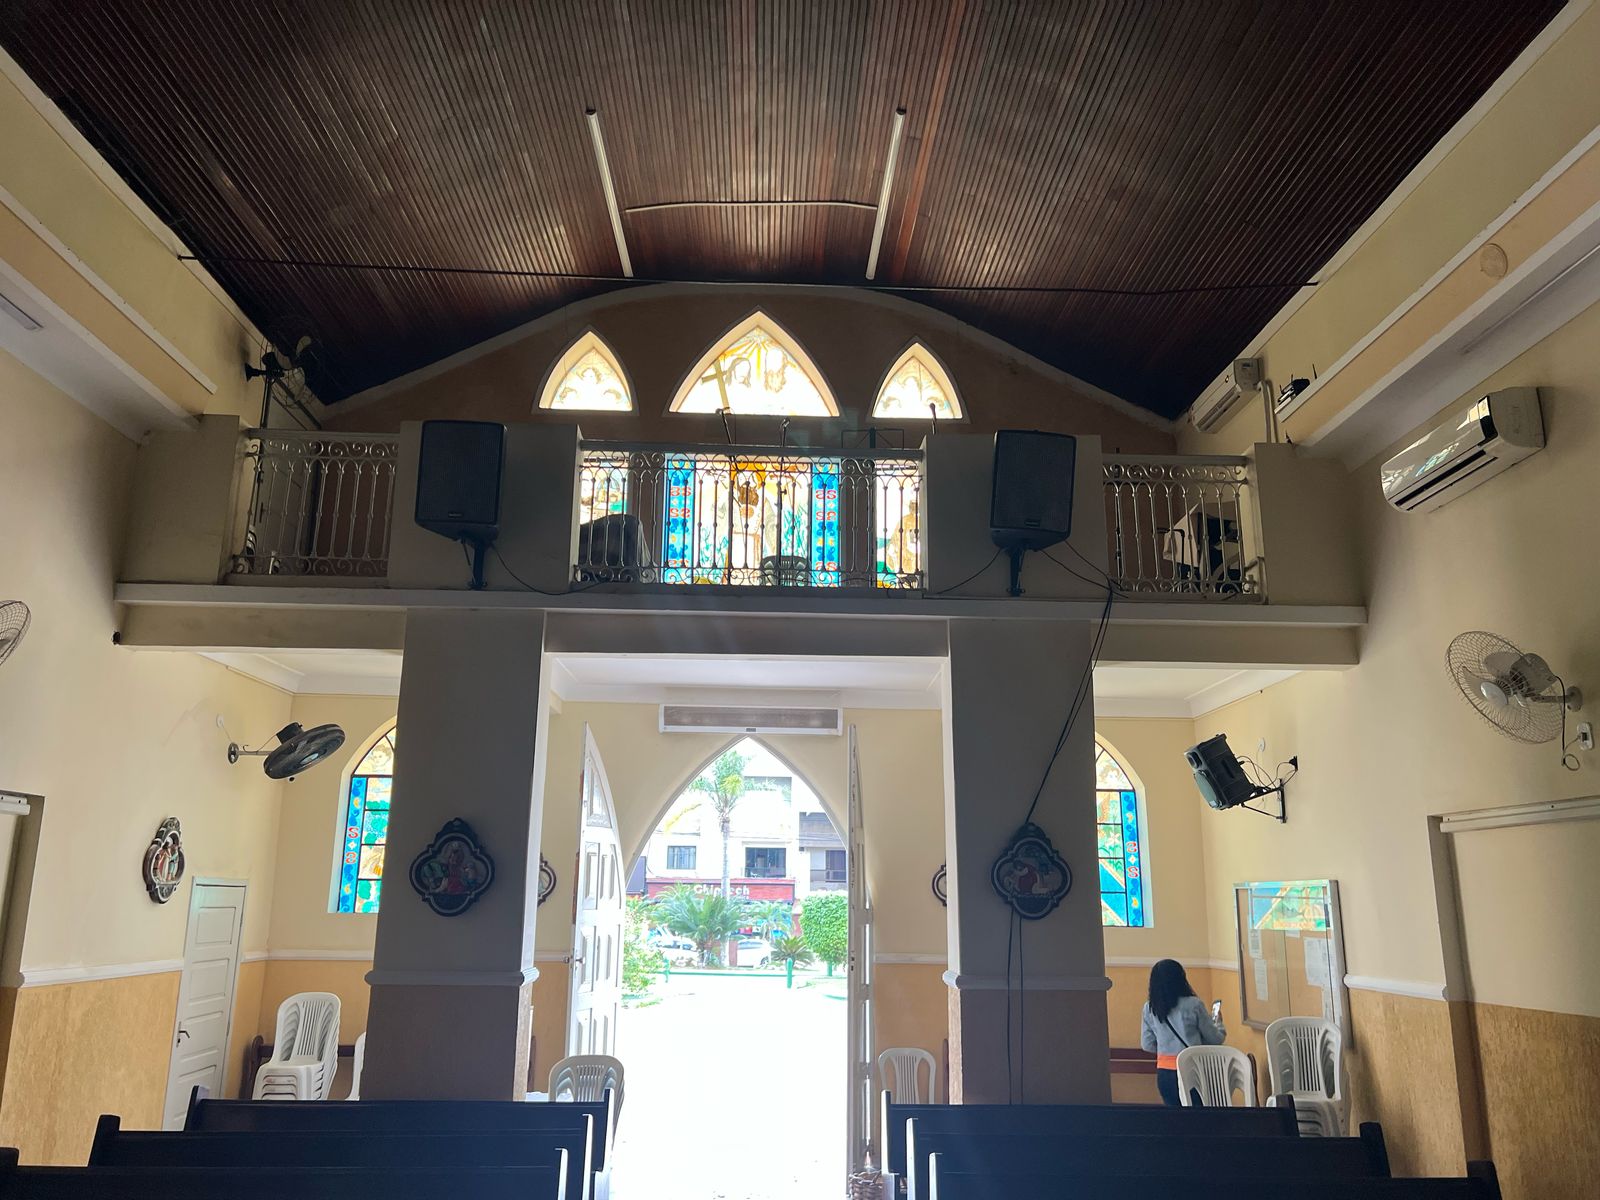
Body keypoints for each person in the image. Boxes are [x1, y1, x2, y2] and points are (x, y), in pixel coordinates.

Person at [1140, 958, 1226, 1106]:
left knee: (1175, 1117)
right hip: (1192, 1069)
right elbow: (1215, 1039)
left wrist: (1166, 1046)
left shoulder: (1150, 1008)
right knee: (1197, 1115)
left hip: (1165, 1073)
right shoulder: (1194, 1004)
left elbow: (1147, 1044)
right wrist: (1218, 1023)